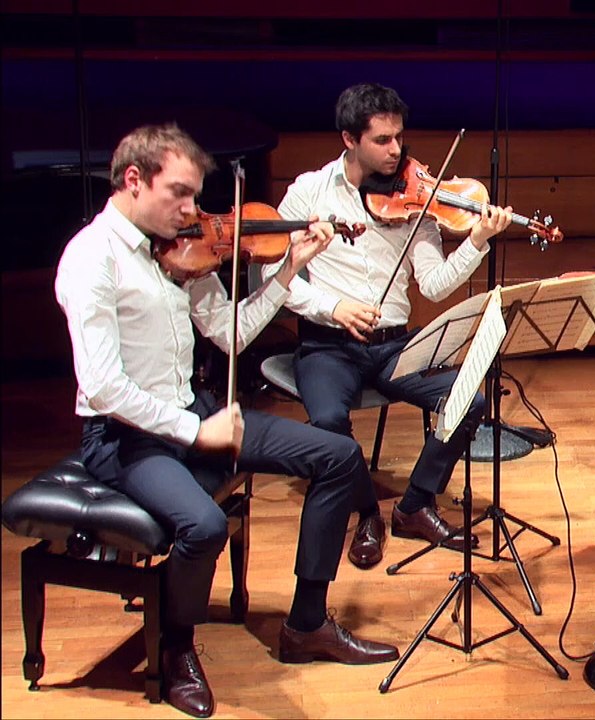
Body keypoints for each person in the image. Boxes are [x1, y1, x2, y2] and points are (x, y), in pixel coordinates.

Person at [54, 124, 401, 718]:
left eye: (196, 197)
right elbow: (104, 387)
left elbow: (233, 333)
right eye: (181, 194)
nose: (194, 211)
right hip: (125, 438)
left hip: (192, 413)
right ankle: (175, 648)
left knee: (338, 456)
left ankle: (307, 625)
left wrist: (290, 268)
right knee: (205, 526)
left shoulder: (178, 250)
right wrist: (196, 431)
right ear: (134, 181)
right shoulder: (92, 259)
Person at [267, 83, 513, 567]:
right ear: (349, 139)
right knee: (328, 423)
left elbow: (436, 284)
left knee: (470, 399)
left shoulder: (414, 198)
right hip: (327, 346)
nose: (396, 150)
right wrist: (331, 307)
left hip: (394, 345)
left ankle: (415, 504)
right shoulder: (308, 192)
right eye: (382, 140)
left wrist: (477, 240)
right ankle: (366, 514)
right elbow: (276, 277)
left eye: (399, 137)